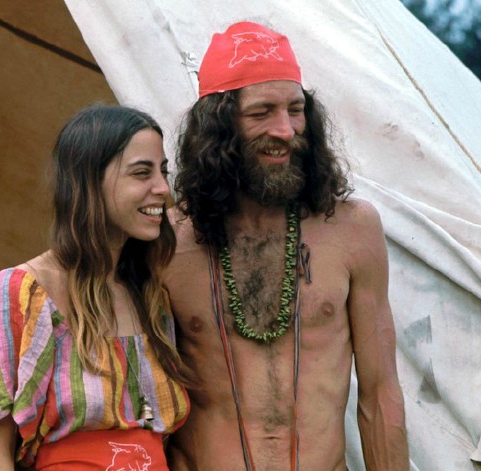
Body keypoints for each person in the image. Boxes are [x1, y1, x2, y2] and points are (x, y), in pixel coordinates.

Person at [164, 21, 409, 470]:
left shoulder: (352, 228)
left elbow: (380, 395)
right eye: (262, 113)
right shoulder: (168, 238)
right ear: (218, 125)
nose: (285, 130)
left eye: (296, 110)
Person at [0, 104, 190, 471]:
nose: (163, 188)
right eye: (141, 173)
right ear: (89, 181)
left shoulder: (152, 295)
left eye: (163, 171)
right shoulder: (24, 290)